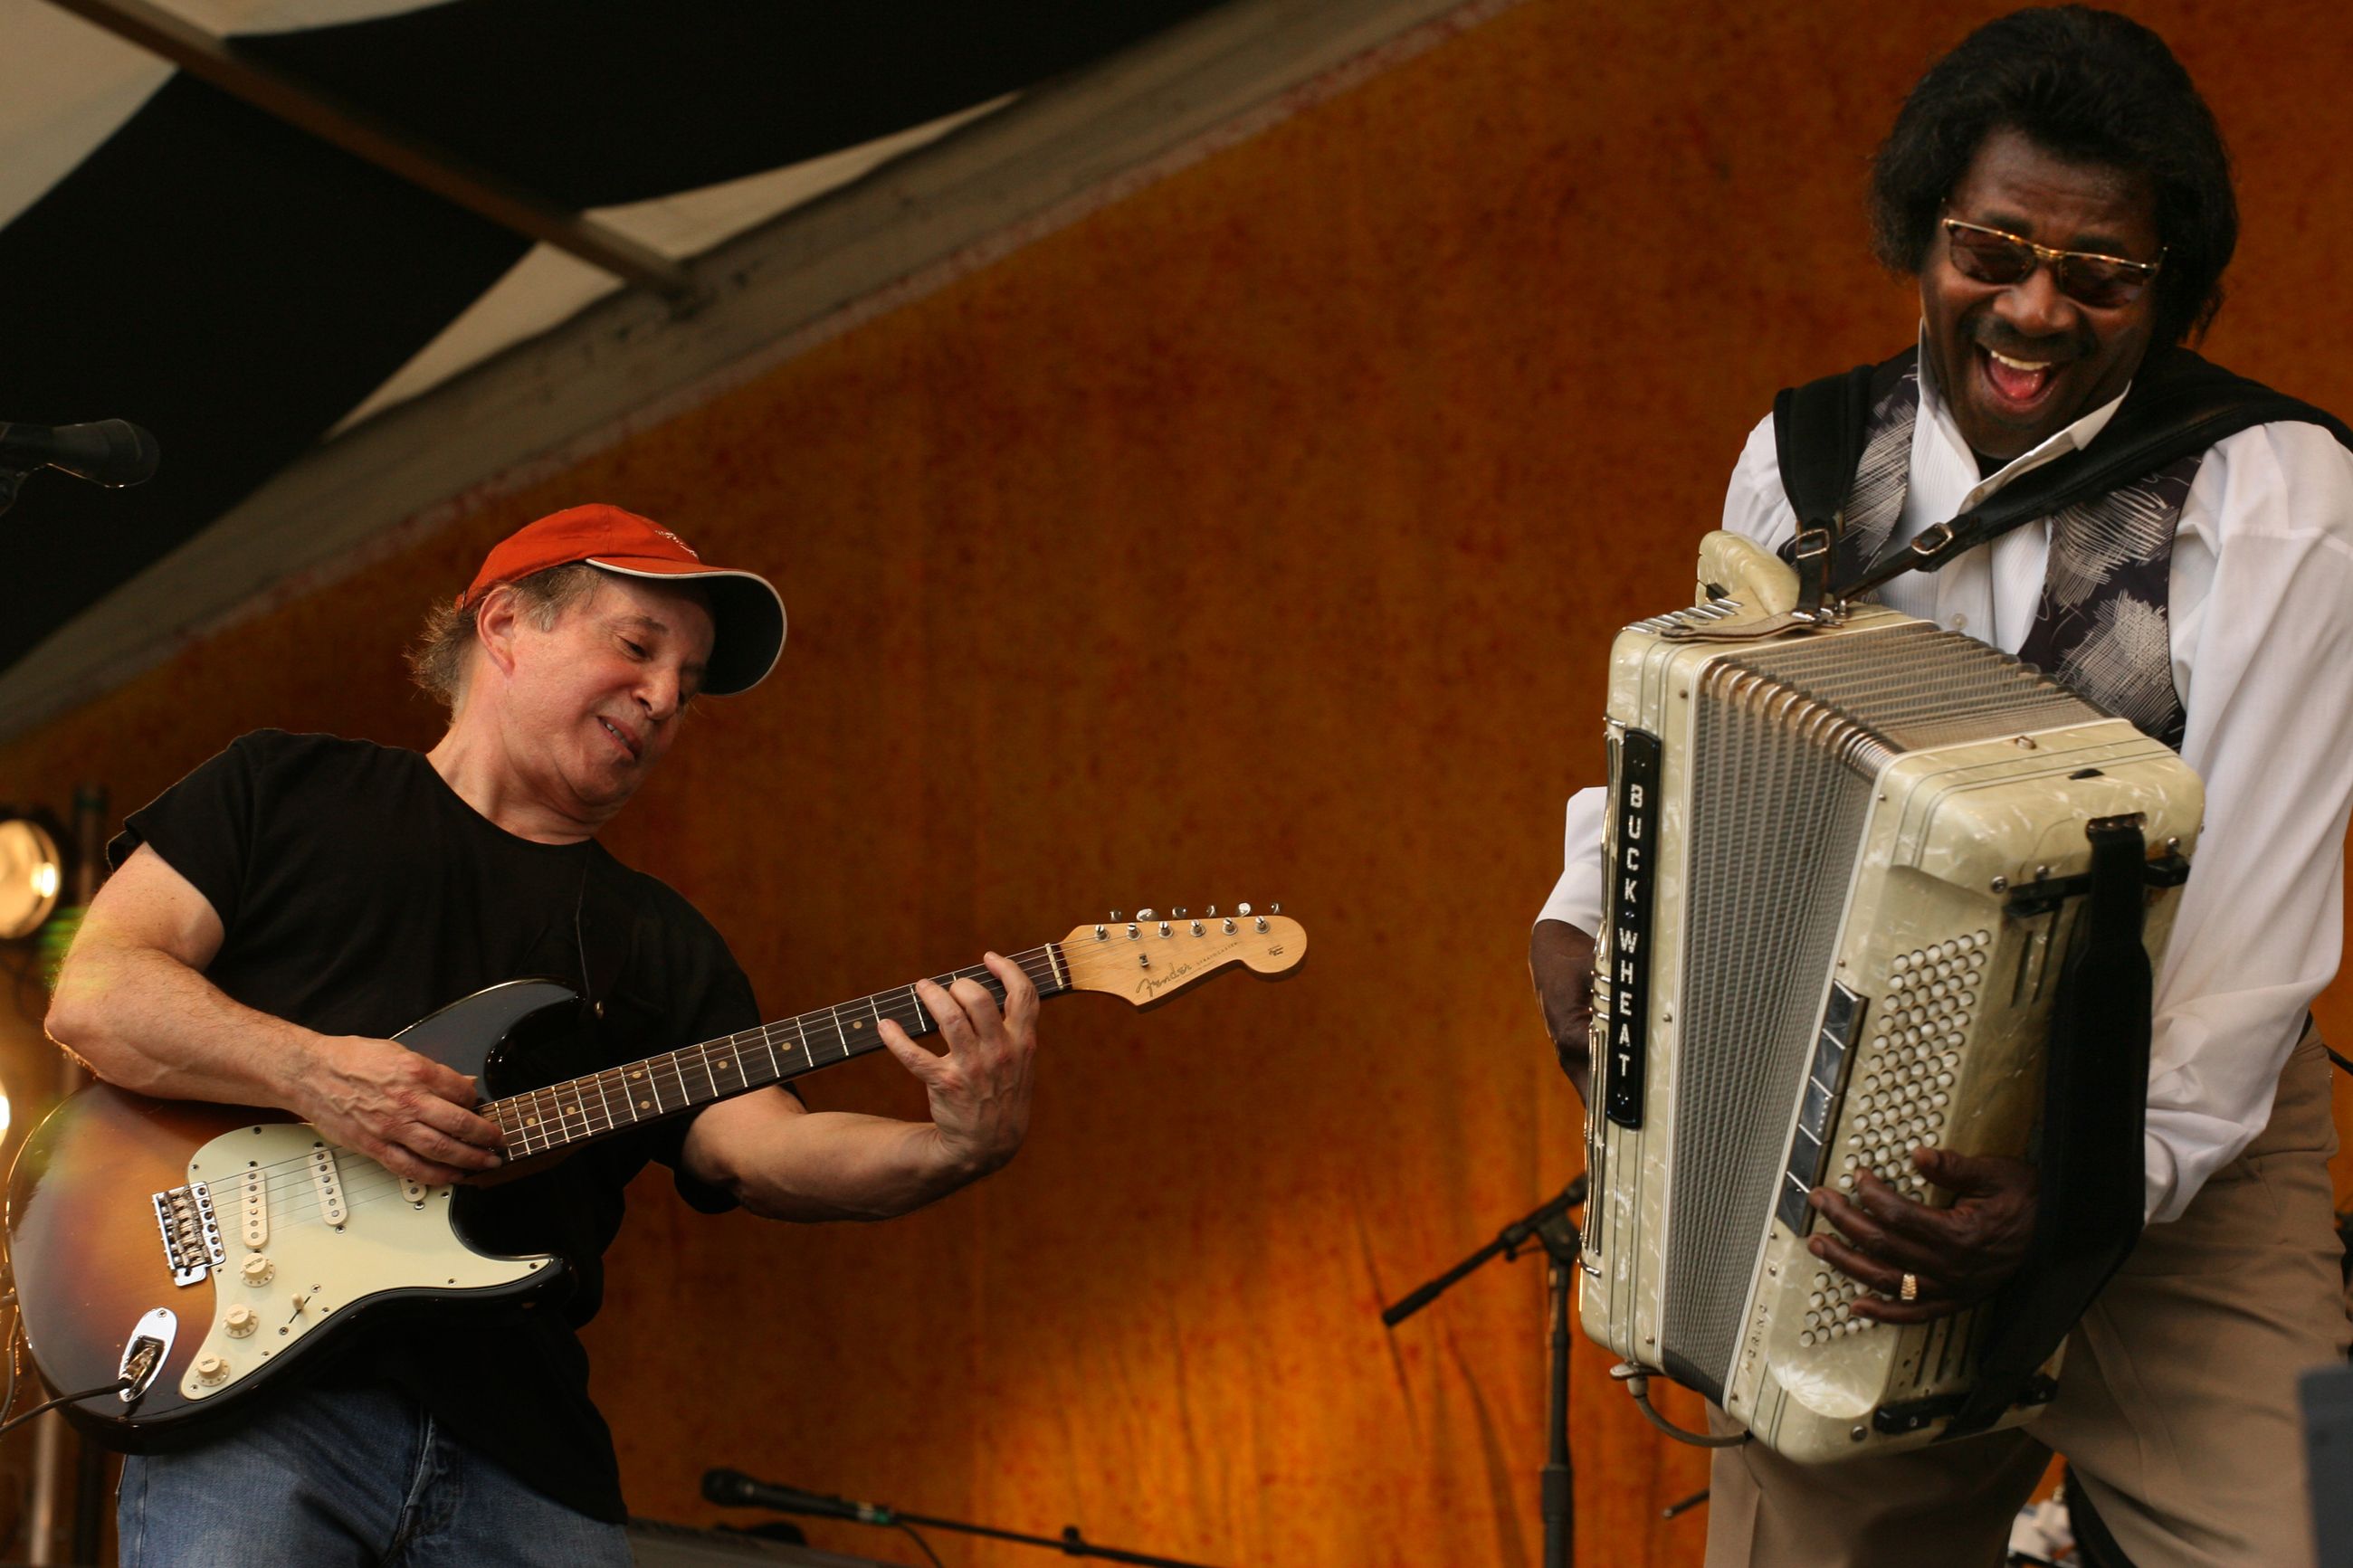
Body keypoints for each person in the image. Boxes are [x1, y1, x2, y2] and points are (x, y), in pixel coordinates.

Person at [1530, 9, 2353, 1566]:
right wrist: (1588, 915)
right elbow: (1702, 735)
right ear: (1927, 232)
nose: (2037, 309)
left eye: (2102, 273)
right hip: (1868, 1146)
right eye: (1997, 249)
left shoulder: (2281, 495)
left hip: (2184, 1120)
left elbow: (2249, 921)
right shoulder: (1806, 458)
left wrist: (2087, 1184)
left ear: (2167, 285)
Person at [44, 503, 1043, 1566]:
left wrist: (950, 1145)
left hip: (525, 1463)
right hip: (261, 1407)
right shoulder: (284, 788)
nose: (663, 699)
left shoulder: (660, 942)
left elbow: (762, 1148)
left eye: (688, 687)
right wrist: (314, 1072)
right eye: (636, 646)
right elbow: (98, 991)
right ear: (508, 623)